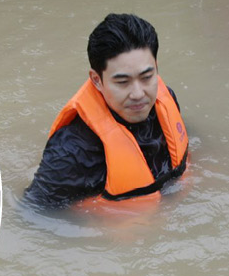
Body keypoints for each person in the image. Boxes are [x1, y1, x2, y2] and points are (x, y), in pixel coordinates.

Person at [24, 14, 188, 209]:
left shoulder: (166, 100)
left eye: (146, 77)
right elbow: (32, 213)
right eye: (122, 82)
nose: (138, 94)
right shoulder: (72, 152)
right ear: (96, 80)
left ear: (156, 68)